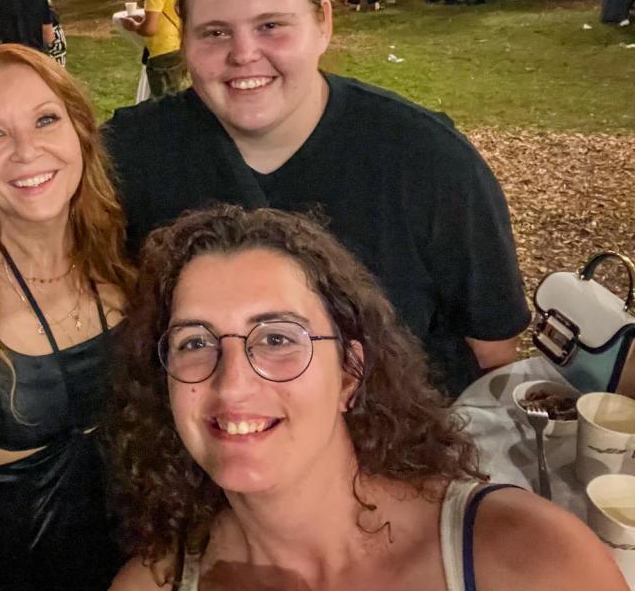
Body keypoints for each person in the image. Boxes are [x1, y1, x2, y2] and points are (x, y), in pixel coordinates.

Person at [102, 0, 529, 397]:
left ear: (323, 23)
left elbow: (492, 351)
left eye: (271, 26)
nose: (244, 54)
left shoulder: (429, 161)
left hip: (388, 435)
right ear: (185, 40)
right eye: (215, 32)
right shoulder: (129, 156)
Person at [106, 205, 626, 591]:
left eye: (278, 339)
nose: (233, 384)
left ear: (350, 372)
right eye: (195, 343)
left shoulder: (528, 560)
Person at [0, 44, 133, 591]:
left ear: (80, 130)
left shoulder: (123, 245)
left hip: (127, 556)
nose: (26, 151)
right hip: (2, 571)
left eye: (45, 119)